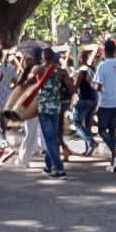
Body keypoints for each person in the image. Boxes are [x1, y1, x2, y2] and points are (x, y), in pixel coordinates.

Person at [34, 48, 74, 178]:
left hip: (44, 108)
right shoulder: (61, 72)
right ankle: (48, 166)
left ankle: (59, 168)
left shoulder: (39, 70)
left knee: (50, 139)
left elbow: (28, 82)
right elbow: (71, 89)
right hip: (56, 107)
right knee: (53, 137)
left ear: (43, 57)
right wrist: (77, 80)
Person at [93, 39, 116, 172]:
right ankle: (114, 160)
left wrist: (94, 87)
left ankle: (115, 152)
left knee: (102, 130)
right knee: (112, 129)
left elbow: (98, 85)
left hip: (106, 102)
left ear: (104, 51)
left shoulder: (102, 66)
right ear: (115, 50)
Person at [72, 65, 98, 155]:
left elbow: (75, 88)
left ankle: (91, 142)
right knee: (88, 125)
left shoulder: (82, 72)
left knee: (77, 122)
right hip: (93, 100)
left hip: (84, 100)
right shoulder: (92, 72)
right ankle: (89, 148)